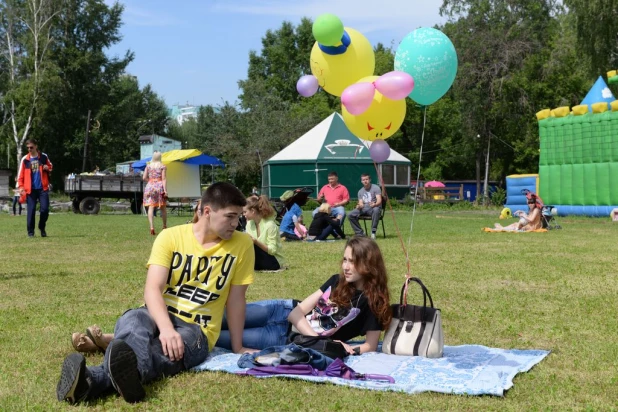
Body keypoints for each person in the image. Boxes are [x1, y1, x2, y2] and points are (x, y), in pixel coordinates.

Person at [56, 182, 256, 405]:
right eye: (230, 216)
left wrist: (238, 347)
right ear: (207, 212)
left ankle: (92, 380)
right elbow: (152, 289)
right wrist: (167, 328)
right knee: (133, 319)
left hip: (197, 330)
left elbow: (237, 299)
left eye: (239, 216)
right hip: (156, 314)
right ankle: (121, 377)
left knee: (160, 350)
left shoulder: (243, 244)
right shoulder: (170, 237)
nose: (236, 223)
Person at [216, 236, 391, 355]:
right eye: (345, 260)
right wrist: (319, 341)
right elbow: (295, 313)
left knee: (215, 336)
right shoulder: (336, 281)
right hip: (281, 310)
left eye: (352, 262)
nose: (345, 266)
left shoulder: (371, 302)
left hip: (283, 338)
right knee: (218, 317)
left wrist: (344, 348)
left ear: (369, 265)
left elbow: (371, 345)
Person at [17, 138, 53, 237]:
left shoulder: (43, 157)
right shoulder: (25, 160)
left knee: (45, 210)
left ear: (36, 146)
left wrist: (47, 168)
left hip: (43, 188)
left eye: (31, 147)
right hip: (30, 190)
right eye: (28, 148)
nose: (29, 149)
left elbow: (50, 166)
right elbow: (20, 176)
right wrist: (21, 187)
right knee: (31, 211)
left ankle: (42, 227)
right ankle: (30, 232)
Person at [244, 195, 284, 271]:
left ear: (252, 211)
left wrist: (255, 241)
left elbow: (272, 250)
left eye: (245, 212)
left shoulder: (270, 225)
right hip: (258, 259)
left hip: (273, 261)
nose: (244, 214)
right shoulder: (249, 224)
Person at [348, 174, 383, 239]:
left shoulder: (376, 188)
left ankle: (373, 232)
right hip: (364, 209)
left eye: (366, 179)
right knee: (350, 215)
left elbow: (379, 200)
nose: (365, 181)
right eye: (363, 180)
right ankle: (360, 233)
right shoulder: (360, 191)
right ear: (361, 181)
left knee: (376, 210)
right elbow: (361, 202)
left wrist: (375, 204)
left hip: (373, 208)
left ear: (370, 180)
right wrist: (359, 205)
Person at [143, 151, 168, 235]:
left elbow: (144, 177)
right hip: (159, 186)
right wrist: (165, 190)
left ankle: (151, 227)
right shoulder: (162, 166)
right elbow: (164, 179)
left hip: (149, 186)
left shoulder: (148, 165)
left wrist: (150, 181)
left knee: (151, 206)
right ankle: (164, 226)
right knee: (163, 207)